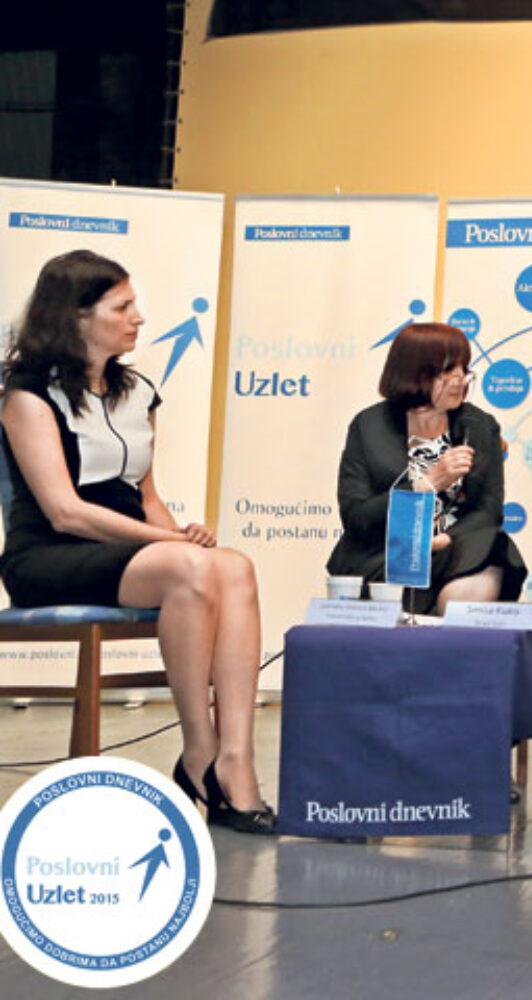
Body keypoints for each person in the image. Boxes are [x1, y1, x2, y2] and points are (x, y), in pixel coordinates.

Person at [0, 250, 274, 834]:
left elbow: (146, 496)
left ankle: (237, 761)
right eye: (122, 307)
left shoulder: (138, 393)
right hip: (49, 555)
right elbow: (66, 512)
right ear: (77, 316)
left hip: (130, 548)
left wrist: (180, 534)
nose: (139, 318)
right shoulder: (27, 395)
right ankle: (199, 752)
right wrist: (170, 543)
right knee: (191, 567)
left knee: (233, 566)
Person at [327, 322, 527, 612]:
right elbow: (356, 518)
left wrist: (445, 540)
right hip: (386, 557)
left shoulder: (480, 426)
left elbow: (489, 511)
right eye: (448, 369)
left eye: (463, 368)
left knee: (493, 547)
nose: (460, 378)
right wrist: (428, 484)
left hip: (456, 553)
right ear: (415, 372)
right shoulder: (368, 427)